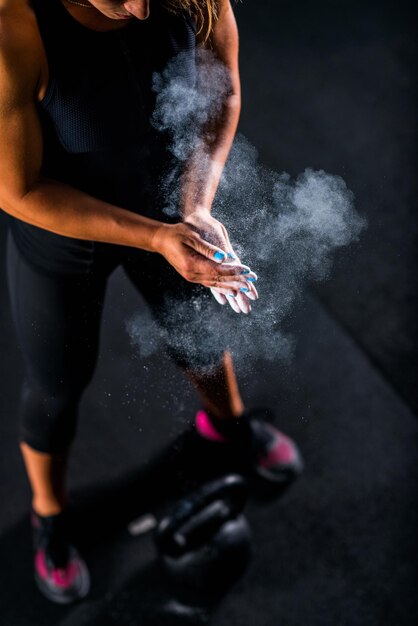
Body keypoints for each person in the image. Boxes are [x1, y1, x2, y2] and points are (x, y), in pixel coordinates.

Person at [0, 0, 303, 604]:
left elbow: (225, 92)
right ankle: (50, 518)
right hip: (64, 239)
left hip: (168, 205)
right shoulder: (16, 26)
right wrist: (155, 237)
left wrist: (194, 206)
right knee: (56, 385)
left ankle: (227, 429)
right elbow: (19, 188)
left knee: (198, 331)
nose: (140, 9)